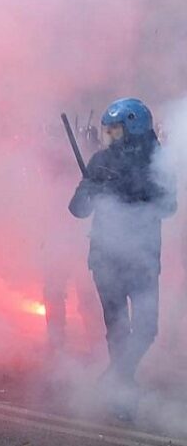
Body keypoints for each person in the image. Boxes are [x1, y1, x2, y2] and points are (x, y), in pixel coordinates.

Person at [69, 98, 176, 418]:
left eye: (115, 131)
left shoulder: (159, 162)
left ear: (133, 128)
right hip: (107, 258)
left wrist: (129, 190)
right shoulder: (101, 161)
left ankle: (115, 378)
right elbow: (77, 210)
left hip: (143, 260)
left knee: (146, 329)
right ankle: (120, 393)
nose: (110, 138)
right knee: (118, 328)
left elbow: (169, 207)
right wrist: (91, 189)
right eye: (108, 131)